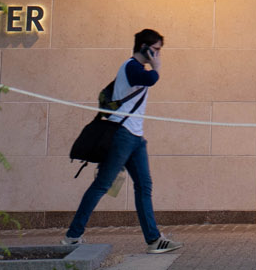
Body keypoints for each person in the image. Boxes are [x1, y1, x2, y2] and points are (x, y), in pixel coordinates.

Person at [64, 28, 182, 254]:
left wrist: (154, 67)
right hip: (122, 135)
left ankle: (154, 240)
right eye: (156, 50)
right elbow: (151, 79)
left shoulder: (135, 68)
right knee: (102, 185)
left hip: (136, 138)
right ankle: (73, 236)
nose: (158, 55)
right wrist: (157, 68)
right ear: (145, 48)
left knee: (144, 186)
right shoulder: (131, 67)